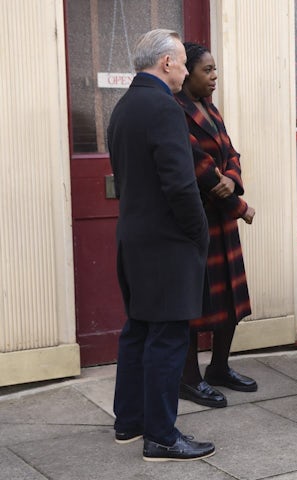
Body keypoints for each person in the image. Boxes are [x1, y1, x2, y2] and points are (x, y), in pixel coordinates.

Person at [107, 29, 215, 461]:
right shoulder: (164, 108)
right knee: (168, 339)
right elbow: (180, 185)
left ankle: (129, 424)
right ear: (167, 63)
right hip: (168, 244)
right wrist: (198, 233)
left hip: (132, 240)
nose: (188, 70)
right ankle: (162, 437)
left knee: (138, 330)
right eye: (183, 62)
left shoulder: (124, 108)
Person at [173, 42, 257, 408]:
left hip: (222, 218)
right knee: (196, 301)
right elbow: (198, 165)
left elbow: (230, 154)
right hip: (199, 219)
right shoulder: (175, 110)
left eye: (215, 70)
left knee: (231, 300)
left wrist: (233, 180)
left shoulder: (211, 108)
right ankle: (189, 379)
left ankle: (219, 368)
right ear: (187, 72)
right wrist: (239, 205)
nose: (214, 77)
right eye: (207, 70)